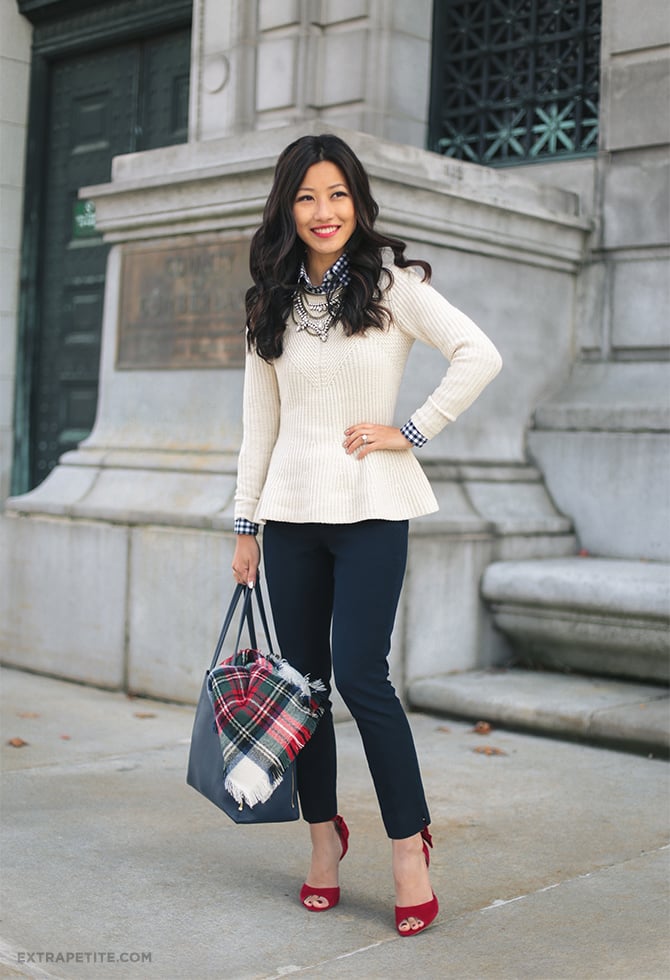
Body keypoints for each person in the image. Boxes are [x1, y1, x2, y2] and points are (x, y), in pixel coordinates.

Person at [231, 133, 502, 936]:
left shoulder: (392, 287)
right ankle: (322, 843)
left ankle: (408, 847)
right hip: (290, 520)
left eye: (339, 194)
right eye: (308, 197)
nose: (325, 211)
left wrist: (410, 429)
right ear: (287, 206)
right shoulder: (267, 304)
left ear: (359, 200)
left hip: (374, 511)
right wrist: (245, 526)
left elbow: (478, 354)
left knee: (361, 677)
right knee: (304, 690)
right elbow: (258, 426)